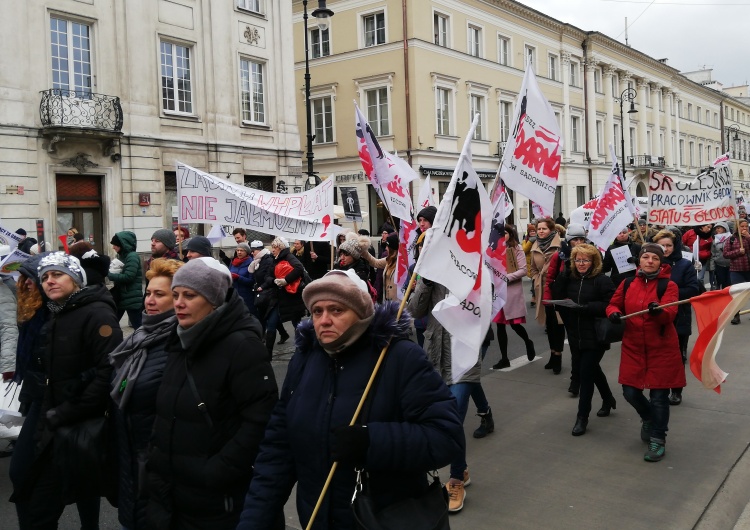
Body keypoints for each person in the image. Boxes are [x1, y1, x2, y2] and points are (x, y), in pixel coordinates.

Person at [238, 270, 464, 529]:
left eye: (336, 310)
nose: (323, 320)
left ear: (361, 313)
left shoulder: (400, 358)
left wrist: (371, 441)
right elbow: (277, 451)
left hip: (384, 520)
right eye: (317, 311)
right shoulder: (303, 361)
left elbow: (447, 436)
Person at [146, 257, 277, 529]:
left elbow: (260, 421)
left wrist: (216, 471)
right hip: (170, 490)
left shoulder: (243, 347)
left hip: (215, 500)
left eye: (190, 295)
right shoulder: (180, 336)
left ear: (214, 300)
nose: (179, 303)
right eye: (176, 295)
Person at [11, 252, 123, 527]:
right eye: (45, 277)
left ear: (75, 279)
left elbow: (107, 372)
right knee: (31, 481)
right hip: (52, 412)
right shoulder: (58, 312)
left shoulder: (97, 314)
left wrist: (66, 411)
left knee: (59, 488)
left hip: (73, 419)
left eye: (58, 274)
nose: (49, 281)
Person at [109, 258, 183, 530]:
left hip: (156, 467)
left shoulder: (179, 342)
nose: (149, 300)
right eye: (148, 293)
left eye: (159, 294)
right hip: (130, 460)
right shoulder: (139, 337)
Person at [408, 275, 490, 512]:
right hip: (435, 354)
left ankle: (455, 479)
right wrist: (426, 282)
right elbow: (414, 311)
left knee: (453, 416)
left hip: (464, 355)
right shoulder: (432, 273)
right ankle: (462, 468)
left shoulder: (475, 265)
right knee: (431, 414)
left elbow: (484, 310)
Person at [606, 243, 684, 462]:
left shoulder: (668, 286)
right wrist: (614, 313)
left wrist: (657, 311)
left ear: (661, 262)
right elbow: (613, 304)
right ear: (639, 260)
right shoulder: (628, 282)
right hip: (633, 346)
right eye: (646, 257)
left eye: (655, 259)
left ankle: (658, 439)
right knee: (630, 392)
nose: (650, 261)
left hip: (662, 348)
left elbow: (669, 313)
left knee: (659, 397)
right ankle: (648, 418)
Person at [551, 244, 617, 436]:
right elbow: (557, 296)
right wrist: (562, 274)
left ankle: (582, 418)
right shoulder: (570, 278)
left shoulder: (602, 280)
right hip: (575, 333)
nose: (581, 264)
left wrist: (586, 307)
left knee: (585, 374)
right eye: (578, 260)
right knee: (593, 369)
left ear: (594, 261)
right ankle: (608, 398)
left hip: (596, 335)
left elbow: (611, 304)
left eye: (585, 260)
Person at [653, 229, 699, 405]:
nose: (665, 249)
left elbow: (693, 289)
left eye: (668, 245)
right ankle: (659, 387)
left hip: (679, 316)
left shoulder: (684, 265)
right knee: (658, 355)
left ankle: (676, 390)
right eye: (661, 245)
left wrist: (669, 294)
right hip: (656, 317)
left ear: (675, 246)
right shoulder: (651, 262)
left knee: (676, 357)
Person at [543, 223, 587, 388]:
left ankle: (577, 377)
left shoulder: (590, 255)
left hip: (582, 304)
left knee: (578, 343)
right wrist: (548, 299)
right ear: (569, 241)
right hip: (563, 303)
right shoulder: (559, 256)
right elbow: (550, 279)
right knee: (558, 331)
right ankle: (559, 360)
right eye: (575, 239)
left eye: (581, 238)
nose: (578, 241)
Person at [491, 224, 535, 369]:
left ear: (510, 233)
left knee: (515, 324)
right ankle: (504, 358)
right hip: (498, 291)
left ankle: (528, 341)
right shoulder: (492, 249)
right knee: (500, 326)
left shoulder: (517, 248)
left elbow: (523, 270)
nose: (502, 236)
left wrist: (505, 277)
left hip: (511, 291)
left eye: (504, 233)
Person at [256, 237, 306, 356]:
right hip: (277, 297)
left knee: (296, 323)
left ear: (281, 247)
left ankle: (302, 350)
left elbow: (299, 268)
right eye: (272, 247)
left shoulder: (289, 257)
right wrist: (274, 281)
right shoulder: (274, 259)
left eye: (275, 247)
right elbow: (267, 276)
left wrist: (286, 280)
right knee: (272, 323)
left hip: (291, 297)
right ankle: (267, 355)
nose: (272, 250)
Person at [529, 217, 564, 374]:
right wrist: (537, 280)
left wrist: (557, 282)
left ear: (552, 230)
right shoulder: (535, 244)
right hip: (542, 290)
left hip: (557, 289)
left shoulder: (560, 245)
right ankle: (552, 354)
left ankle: (558, 357)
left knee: (558, 324)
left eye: (544, 229)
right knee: (549, 324)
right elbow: (533, 269)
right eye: (539, 229)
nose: (541, 231)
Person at [109, 231, 144, 330]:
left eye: (115, 245)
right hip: (122, 296)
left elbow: (129, 276)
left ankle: (144, 344)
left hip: (131, 297)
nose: (113, 247)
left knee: (138, 326)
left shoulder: (132, 256)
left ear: (122, 244)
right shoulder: (122, 255)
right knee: (111, 323)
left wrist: (110, 275)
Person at [723, 218, 750, 325]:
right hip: (736, 270)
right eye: (742, 226)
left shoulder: (748, 238)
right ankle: (736, 315)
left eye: (746, 226)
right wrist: (738, 252)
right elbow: (726, 254)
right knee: (737, 294)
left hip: (748, 269)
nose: (744, 228)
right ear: (737, 228)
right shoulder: (731, 239)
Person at [360, 232, 400, 302]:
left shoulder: (403, 263)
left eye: (388, 246)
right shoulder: (388, 260)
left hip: (399, 304)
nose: (386, 248)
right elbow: (375, 262)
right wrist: (363, 251)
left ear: (393, 249)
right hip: (387, 302)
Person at [229, 242, 256, 316]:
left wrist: (238, 277)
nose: (239, 252)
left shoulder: (251, 262)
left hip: (247, 295)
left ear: (246, 252)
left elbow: (251, 281)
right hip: (234, 295)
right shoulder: (233, 262)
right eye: (237, 250)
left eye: (242, 250)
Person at [682, 224, 713, 288]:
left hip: (702, 260)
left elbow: (711, 249)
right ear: (702, 226)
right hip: (689, 259)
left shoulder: (710, 236)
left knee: (699, 278)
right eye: (708, 227)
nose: (709, 229)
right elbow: (682, 243)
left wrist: (705, 254)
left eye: (710, 228)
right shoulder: (690, 233)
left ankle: (700, 291)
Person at [711, 222, 731, 290]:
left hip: (731, 265)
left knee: (729, 283)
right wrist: (712, 266)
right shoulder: (715, 241)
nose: (717, 230)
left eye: (719, 228)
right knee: (721, 282)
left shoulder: (731, 238)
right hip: (719, 265)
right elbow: (713, 254)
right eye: (716, 228)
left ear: (724, 228)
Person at [522, 224, 537, 307]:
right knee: (534, 281)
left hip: (534, 262)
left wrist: (526, 242)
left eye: (534, 231)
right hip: (529, 262)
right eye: (531, 231)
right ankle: (534, 296)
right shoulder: (528, 240)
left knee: (534, 281)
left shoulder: (531, 240)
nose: (532, 233)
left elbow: (524, 249)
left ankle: (534, 297)